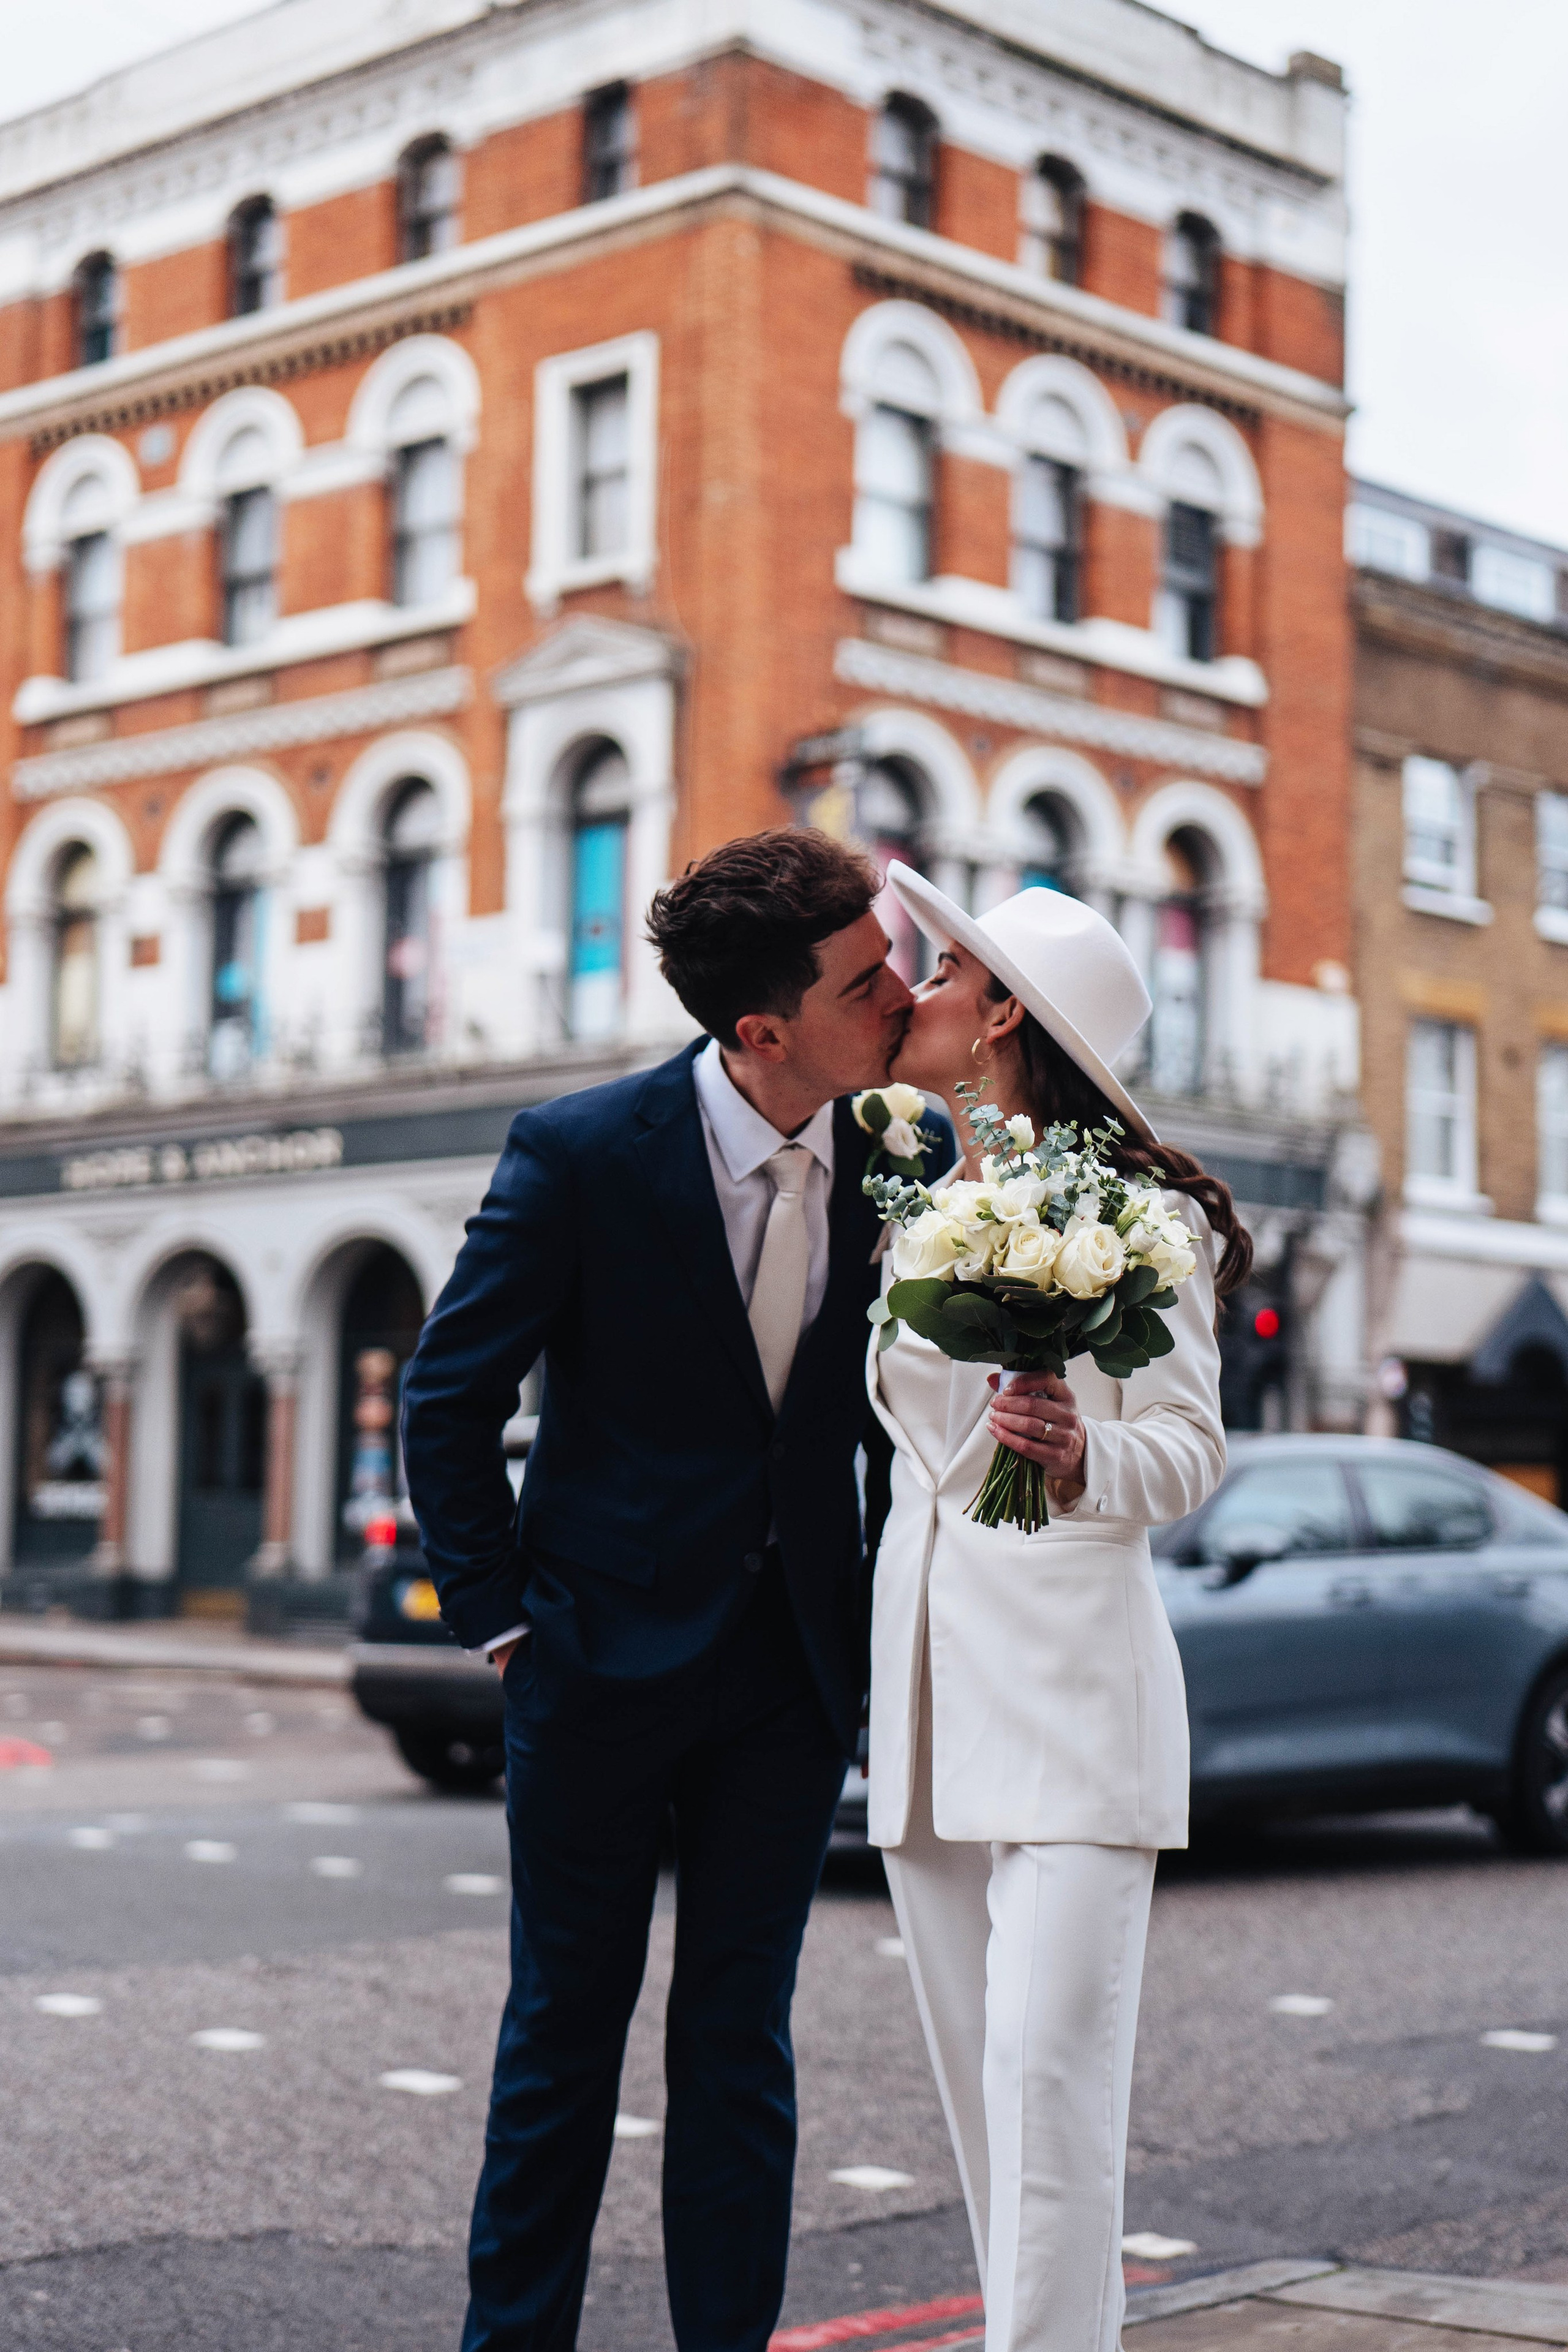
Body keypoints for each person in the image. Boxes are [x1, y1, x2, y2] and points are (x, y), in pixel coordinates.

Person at [400, 828, 916, 2352]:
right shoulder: (578, 1151)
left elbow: (894, 1412)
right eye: (862, 975)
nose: (895, 989)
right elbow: (445, 1395)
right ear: (762, 1029)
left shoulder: (903, 1159)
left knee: (737, 2046)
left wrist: (882, 1611)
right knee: (562, 2043)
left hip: (786, 1675)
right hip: (591, 1661)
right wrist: (499, 1620)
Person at [866, 864, 1249, 2352]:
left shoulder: (1140, 1216)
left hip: (1078, 1711)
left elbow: (1191, 1446)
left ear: (1002, 1010)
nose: (913, 986)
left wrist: (1085, 1457)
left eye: (940, 969)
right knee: (988, 2120)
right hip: (929, 1712)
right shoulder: (924, 1203)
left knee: (1049, 2098)